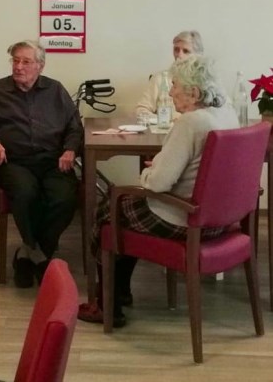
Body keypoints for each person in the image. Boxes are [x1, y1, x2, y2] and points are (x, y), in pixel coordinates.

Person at [78, 54, 236, 327]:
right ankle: (120, 293)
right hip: (218, 220)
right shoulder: (227, 115)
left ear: (193, 92)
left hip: (185, 218)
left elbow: (157, 184)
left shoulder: (190, 123)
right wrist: (164, 165)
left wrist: (151, 170)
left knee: (109, 206)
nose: (170, 92)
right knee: (122, 210)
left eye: (174, 85)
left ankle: (107, 306)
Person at [0, 40, 83, 288]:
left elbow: (75, 127)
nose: (18, 66)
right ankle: (41, 258)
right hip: (15, 161)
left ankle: (29, 252)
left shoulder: (55, 90)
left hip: (53, 160)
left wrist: (70, 149)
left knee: (65, 197)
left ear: (40, 66)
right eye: (15, 60)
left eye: (26, 61)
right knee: (25, 192)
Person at [135, 30, 204, 119]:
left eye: (186, 51)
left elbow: (217, 112)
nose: (179, 55)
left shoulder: (205, 82)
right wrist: (164, 121)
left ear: (198, 56)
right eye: (176, 50)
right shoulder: (160, 78)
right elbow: (141, 110)